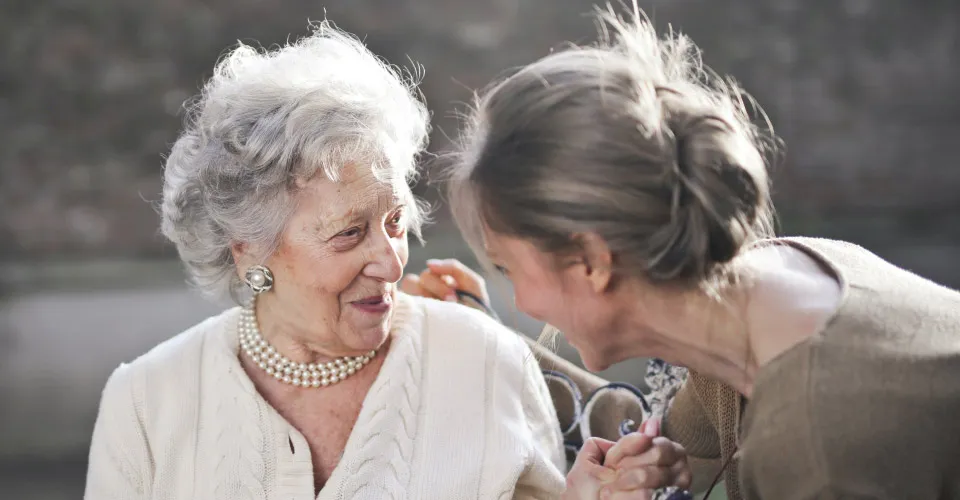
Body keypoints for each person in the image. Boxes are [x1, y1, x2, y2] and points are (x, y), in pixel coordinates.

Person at [83, 21, 673, 500]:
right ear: (249, 251)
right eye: (348, 234)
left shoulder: (484, 360)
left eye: (395, 223)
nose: (391, 263)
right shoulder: (145, 402)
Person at [415, 6, 960, 500]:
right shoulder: (768, 290)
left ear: (592, 261)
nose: (524, 302)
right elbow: (646, 433)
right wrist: (481, 337)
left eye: (510, 268)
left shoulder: (817, 446)